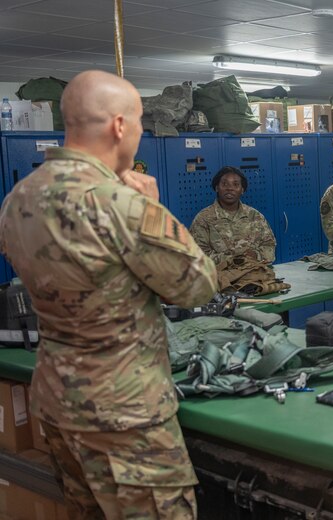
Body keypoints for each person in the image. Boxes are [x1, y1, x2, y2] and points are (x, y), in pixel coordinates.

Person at [0, 70, 218, 518]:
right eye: (139, 124)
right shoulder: (121, 205)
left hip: (59, 402)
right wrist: (154, 209)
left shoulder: (20, 197)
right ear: (120, 126)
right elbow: (197, 286)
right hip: (125, 416)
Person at [190, 166, 277, 266]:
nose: (230, 188)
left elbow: (269, 246)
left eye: (236, 184)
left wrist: (256, 255)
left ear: (242, 190)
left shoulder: (255, 216)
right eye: (224, 184)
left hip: (254, 274)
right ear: (217, 188)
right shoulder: (203, 219)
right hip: (220, 278)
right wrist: (233, 260)